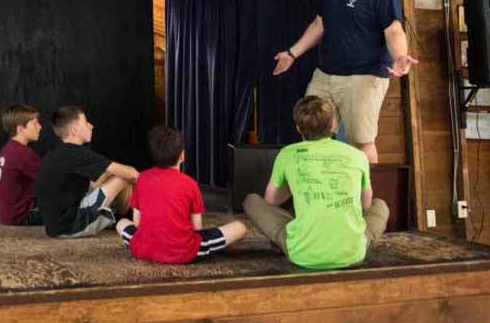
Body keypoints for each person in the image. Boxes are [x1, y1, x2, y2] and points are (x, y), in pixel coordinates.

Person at [272, 0, 417, 164]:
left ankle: (365, 189)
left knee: (361, 142)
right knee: (311, 135)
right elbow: (319, 24)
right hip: (326, 74)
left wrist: (400, 56)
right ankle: (320, 185)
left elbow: (393, 30)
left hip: (364, 76)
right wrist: (292, 53)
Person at [243, 96, 389, 270]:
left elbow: (271, 201)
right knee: (380, 205)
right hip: (353, 255)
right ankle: (348, 243)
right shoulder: (358, 155)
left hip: (302, 255)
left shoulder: (287, 153)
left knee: (251, 201)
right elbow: (366, 205)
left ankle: (303, 235)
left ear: (298, 128)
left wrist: (295, 185)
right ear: (333, 124)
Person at [116, 126, 247, 264]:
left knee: (121, 223)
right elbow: (197, 228)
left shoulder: (142, 178)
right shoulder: (190, 184)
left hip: (144, 249)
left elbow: (137, 224)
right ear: (182, 156)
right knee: (240, 227)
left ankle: (156, 248)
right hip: (184, 252)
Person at [36, 106, 139, 238]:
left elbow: (95, 182)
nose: (91, 126)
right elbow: (132, 174)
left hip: (55, 226)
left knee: (109, 173)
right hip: (70, 226)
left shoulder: (55, 153)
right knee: (124, 176)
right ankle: (138, 227)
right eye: (85, 122)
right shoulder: (77, 153)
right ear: (74, 130)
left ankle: (120, 216)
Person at [0, 104, 45, 225]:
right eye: (35, 123)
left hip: (8, 214)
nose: (40, 127)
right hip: (22, 215)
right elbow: (50, 180)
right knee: (73, 210)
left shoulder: (8, 148)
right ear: (20, 129)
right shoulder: (23, 153)